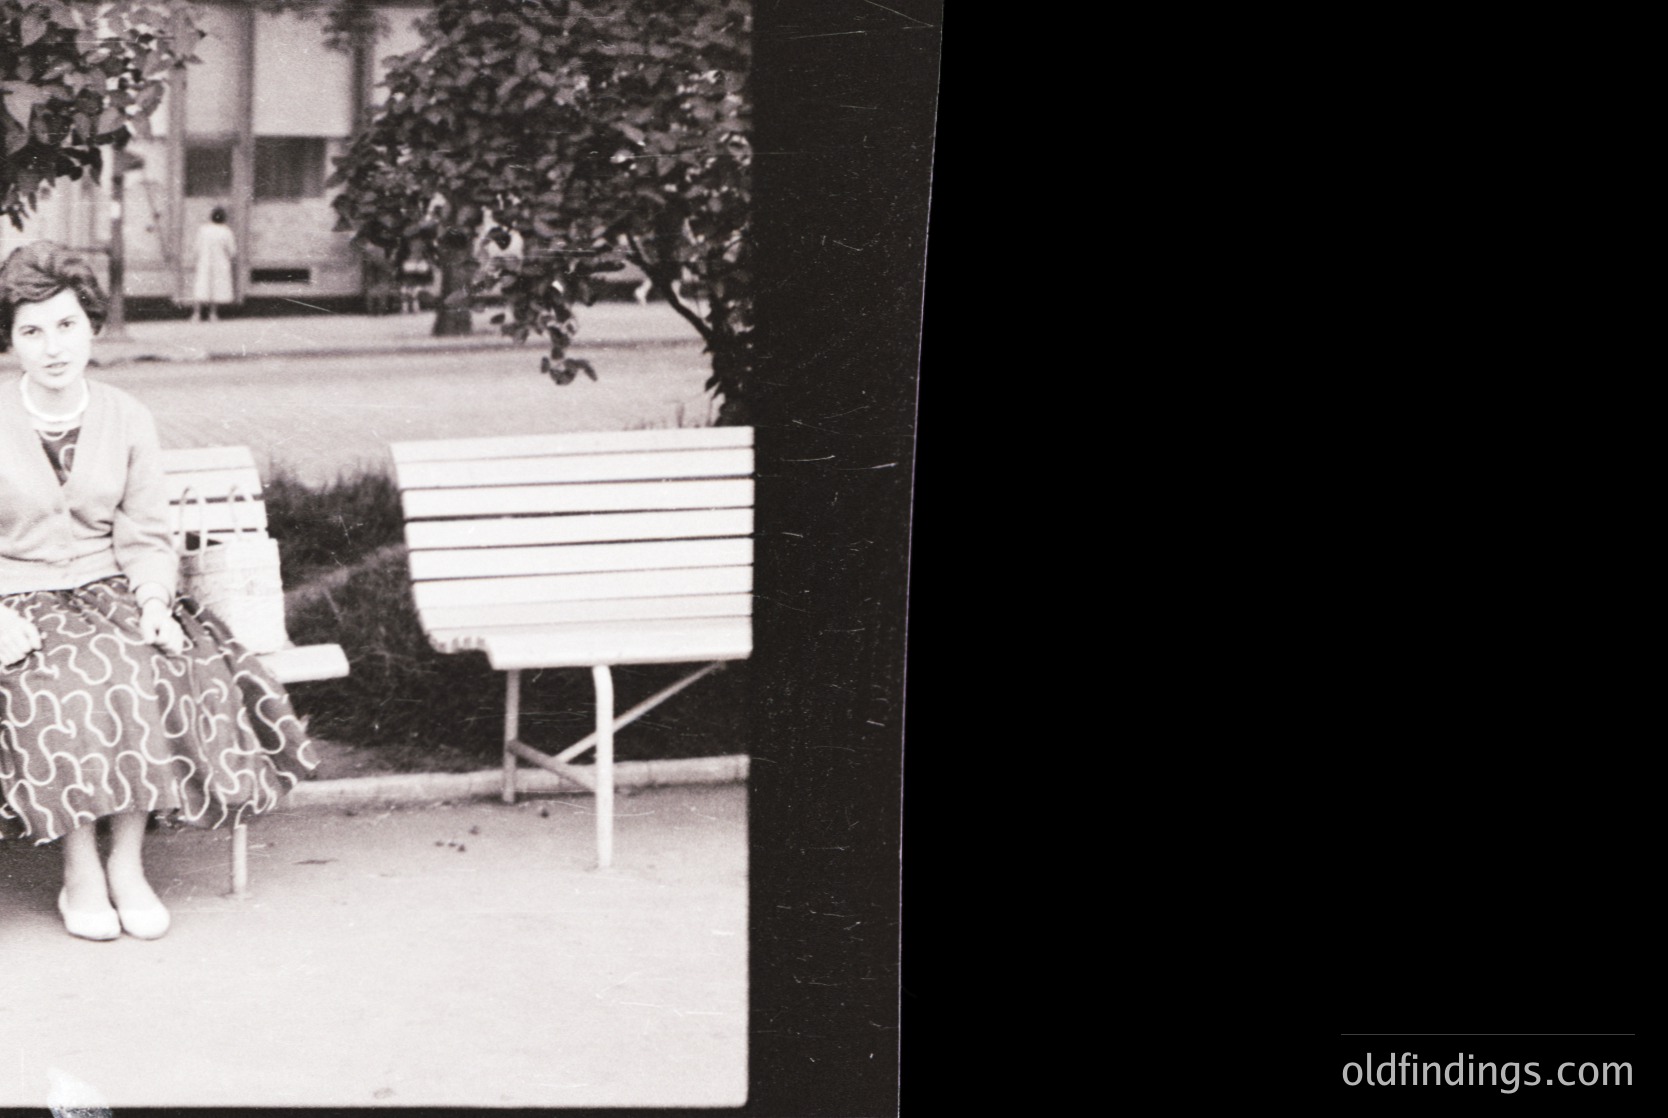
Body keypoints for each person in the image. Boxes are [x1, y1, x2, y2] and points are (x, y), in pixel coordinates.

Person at [0, 242, 318, 941]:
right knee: (66, 680)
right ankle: (80, 869)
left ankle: (128, 864)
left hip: (111, 588)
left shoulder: (126, 415)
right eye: (31, 330)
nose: (52, 347)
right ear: (11, 339)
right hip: (16, 600)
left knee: (152, 663)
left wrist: (152, 603)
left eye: (66, 325)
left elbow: (145, 532)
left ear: (91, 326)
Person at [190, 207, 237, 322]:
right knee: (216, 288)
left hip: (204, 261)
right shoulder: (226, 231)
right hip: (220, 262)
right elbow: (232, 251)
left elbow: (196, 247)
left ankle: (196, 314)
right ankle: (213, 314)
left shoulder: (203, 230)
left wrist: (196, 259)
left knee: (202, 286)